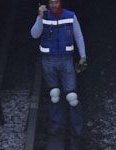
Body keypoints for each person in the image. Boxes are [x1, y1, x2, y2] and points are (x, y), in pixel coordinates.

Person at [30, 1, 87, 136]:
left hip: (66, 59)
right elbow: (34, 34)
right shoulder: (44, 16)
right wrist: (39, 17)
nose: (54, 5)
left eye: (56, 2)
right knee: (54, 94)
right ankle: (56, 125)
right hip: (48, 60)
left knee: (72, 97)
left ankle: (77, 127)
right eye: (51, 2)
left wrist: (83, 56)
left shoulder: (70, 16)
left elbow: (78, 36)